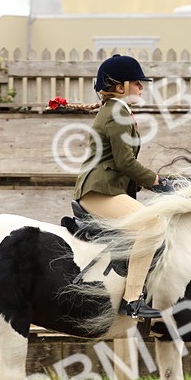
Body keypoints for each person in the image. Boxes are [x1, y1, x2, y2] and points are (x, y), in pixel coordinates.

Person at [72, 54, 168, 319]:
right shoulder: (116, 113)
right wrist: (155, 180)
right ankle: (132, 299)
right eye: (137, 83)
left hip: (108, 188)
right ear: (120, 86)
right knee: (153, 225)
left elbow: (118, 162)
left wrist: (151, 182)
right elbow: (125, 162)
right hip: (99, 191)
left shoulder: (119, 111)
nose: (142, 87)